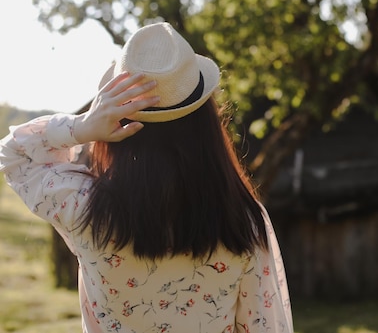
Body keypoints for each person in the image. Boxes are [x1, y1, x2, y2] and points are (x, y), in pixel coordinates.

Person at [0, 22, 293, 333]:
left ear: (117, 121)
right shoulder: (242, 221)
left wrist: (82, 126)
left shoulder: (84, 209)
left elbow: (14, 154)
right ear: (205, 124)